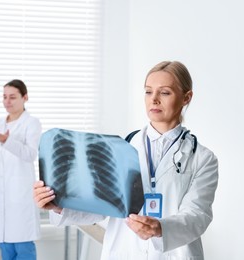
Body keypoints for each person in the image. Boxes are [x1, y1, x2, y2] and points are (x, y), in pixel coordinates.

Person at [34, 61, 219, 259]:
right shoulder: (120, 148)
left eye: (164, 92)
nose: (154, 100)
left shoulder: (203, 158)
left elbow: (198, 216)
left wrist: (161, 229)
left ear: (186, 98)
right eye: (148, 92)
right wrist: (58, 205)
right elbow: (100, 208)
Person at [0, 79, 42, 260]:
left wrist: (7, 141)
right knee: (5, 248)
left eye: (12, 97)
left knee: (23, 246)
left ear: (25, 97)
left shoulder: (32, 123)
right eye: (4, 97)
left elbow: (30, 154)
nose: (7, 102)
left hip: (20, 197)